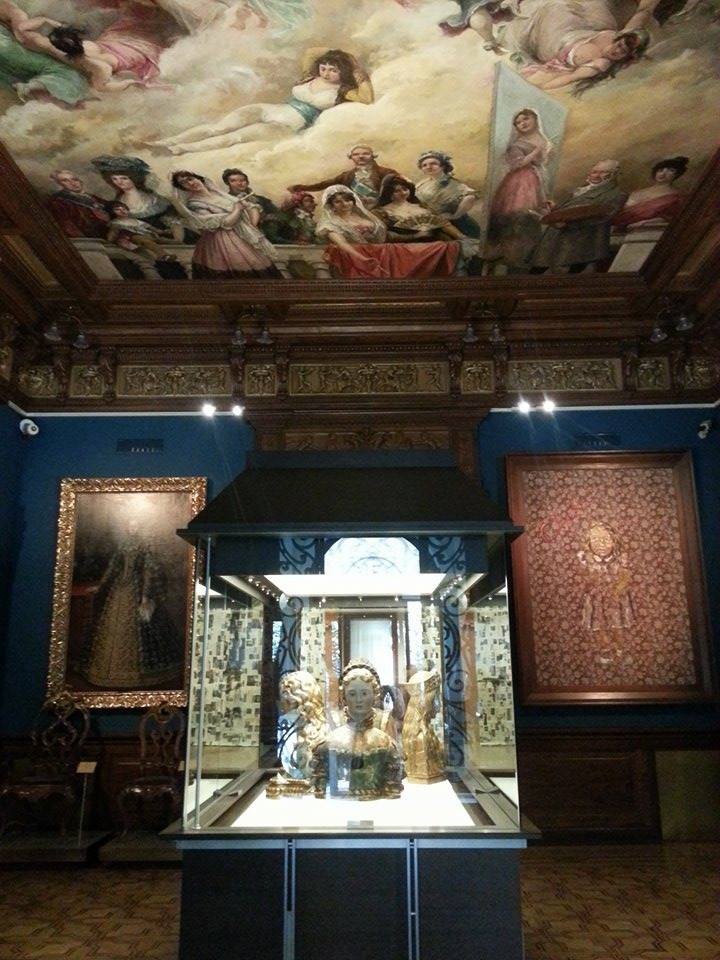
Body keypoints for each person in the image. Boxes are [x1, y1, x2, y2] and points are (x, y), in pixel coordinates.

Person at [153, 48, 373, 154]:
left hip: (287, 126)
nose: (326, 73)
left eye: (333, 70)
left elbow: (367, 99)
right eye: (324, 68)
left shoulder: (342, 91)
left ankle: (179, 150)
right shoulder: (310, 76)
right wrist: (340, 56)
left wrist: (355, 69)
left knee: (234, 138)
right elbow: (311, 51)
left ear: (342, 72)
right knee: (218, 128)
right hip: (269, 110)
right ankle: (166, 142)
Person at [82, 520, 182, 689]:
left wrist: (145, 596)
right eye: (130, 525)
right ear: (127, 528)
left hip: (135, 588)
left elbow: (148, 572)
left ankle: (135, 673)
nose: (133, 528)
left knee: (141, 627)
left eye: (136, 525)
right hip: (119, 589)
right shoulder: (122, 545)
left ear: (138, 527)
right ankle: (109, 672)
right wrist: (100, 585)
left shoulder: (143, 546)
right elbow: (113, 567)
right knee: (112, 625)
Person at [310, 659, 403, 800]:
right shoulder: (334, 721)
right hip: (340, 792)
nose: (359, 700)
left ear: (375, 695)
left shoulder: (384, 724)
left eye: (364, 693)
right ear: (344, 696)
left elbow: (394, 765)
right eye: (352, 694)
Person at [170, 169, 282, 279]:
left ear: (199, 178)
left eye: (190, 179)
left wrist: (250, 222)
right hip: (220, 242)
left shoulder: (219, 193)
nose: (190, 183)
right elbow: (226, 223)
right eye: (183, 183)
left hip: (241, 236)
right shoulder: (195, 204)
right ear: (182, 188)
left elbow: (249, 209)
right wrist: (237, 209)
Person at [530, 159, 627, 273]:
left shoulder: (617, 195)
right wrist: (555, 209)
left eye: (603, 172)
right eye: (594, 172)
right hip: (560, 236)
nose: (596, 175)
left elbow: (604, 217)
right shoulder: (582, 190)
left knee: (572, 274)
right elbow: (572, 210)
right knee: (539, 269)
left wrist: (565, 223)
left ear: (613, 174)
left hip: (582, 241)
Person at [487, 107, 552, 266]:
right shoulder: (517, 144)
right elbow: (518, 164)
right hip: (519, 181)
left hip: (535, 179)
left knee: (531, 218)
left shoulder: (544, 140)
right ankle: (508, 253)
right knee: (517, 214)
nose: (522, 123)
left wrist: (543, 150)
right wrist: (537, 150)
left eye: (525, 119)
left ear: (535, 119)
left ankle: (526, 254)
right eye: (518, 122)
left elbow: (542, 163)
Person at [48, 21, 162, 92]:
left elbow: (102, 87)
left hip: (128, 54)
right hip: (121, 49)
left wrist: (129, 83)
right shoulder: (88, 48)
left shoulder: (99, 66)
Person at [0, 22, 88, 104]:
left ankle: (30, 87)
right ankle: (30, 87)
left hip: (11, 50)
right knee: (68, 75)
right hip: (13, 51)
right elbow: (21, 29)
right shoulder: (43, 41)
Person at [289, 144, 400, 210]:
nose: (361, 157)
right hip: (355, 210)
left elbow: (402, 188)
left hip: (380, 209)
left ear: (372, 156)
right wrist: (301, 187)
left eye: (365, 154)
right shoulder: (347, 176)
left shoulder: (386, 172)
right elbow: (324, 184)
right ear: (351, 157)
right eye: (356, 154)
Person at [414, 150, 482, 238]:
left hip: (457, 225)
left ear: (443, 166)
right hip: (433, 223)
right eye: (424, 165)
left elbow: (470, 197)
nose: (428, 167)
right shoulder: (422, 184)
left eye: (433, 164)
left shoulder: (451, 183)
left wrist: (455, 216)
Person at [613, 156, 688, 230]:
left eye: (671, 171)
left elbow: (670, 218)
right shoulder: (637, 192)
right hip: (617, 230)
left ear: (677, 175)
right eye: (660, 170)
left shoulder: (676, 197)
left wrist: (646, 222)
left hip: (646, 231)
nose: (662, 174)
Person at [105, 200, 182, 267]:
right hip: (134, 237)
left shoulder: (137, 221)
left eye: (124, 208)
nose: (122, 211)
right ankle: (163, 255)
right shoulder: (115, 223)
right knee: (147, 242)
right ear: (112, 212)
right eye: (117, 209)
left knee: (174, 242)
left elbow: (155, 230)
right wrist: (111, 239)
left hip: (151, 236)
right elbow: (112, 235)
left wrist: (165, 231)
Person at [222, 167, 284, 242]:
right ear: (227, 183)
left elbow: (278, 215)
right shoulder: (225, 201)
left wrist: (266, 217)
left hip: (264, 235)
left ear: (247, 182)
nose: (239, 183)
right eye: (233, 181)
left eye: (242, 180)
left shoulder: (261, 200)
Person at [46, 169, 110, 238]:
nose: (73, 183)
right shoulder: (58, 202)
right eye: (65, 181)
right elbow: (67, 226)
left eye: (75, 179)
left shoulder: (92, 197)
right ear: (59, 184)